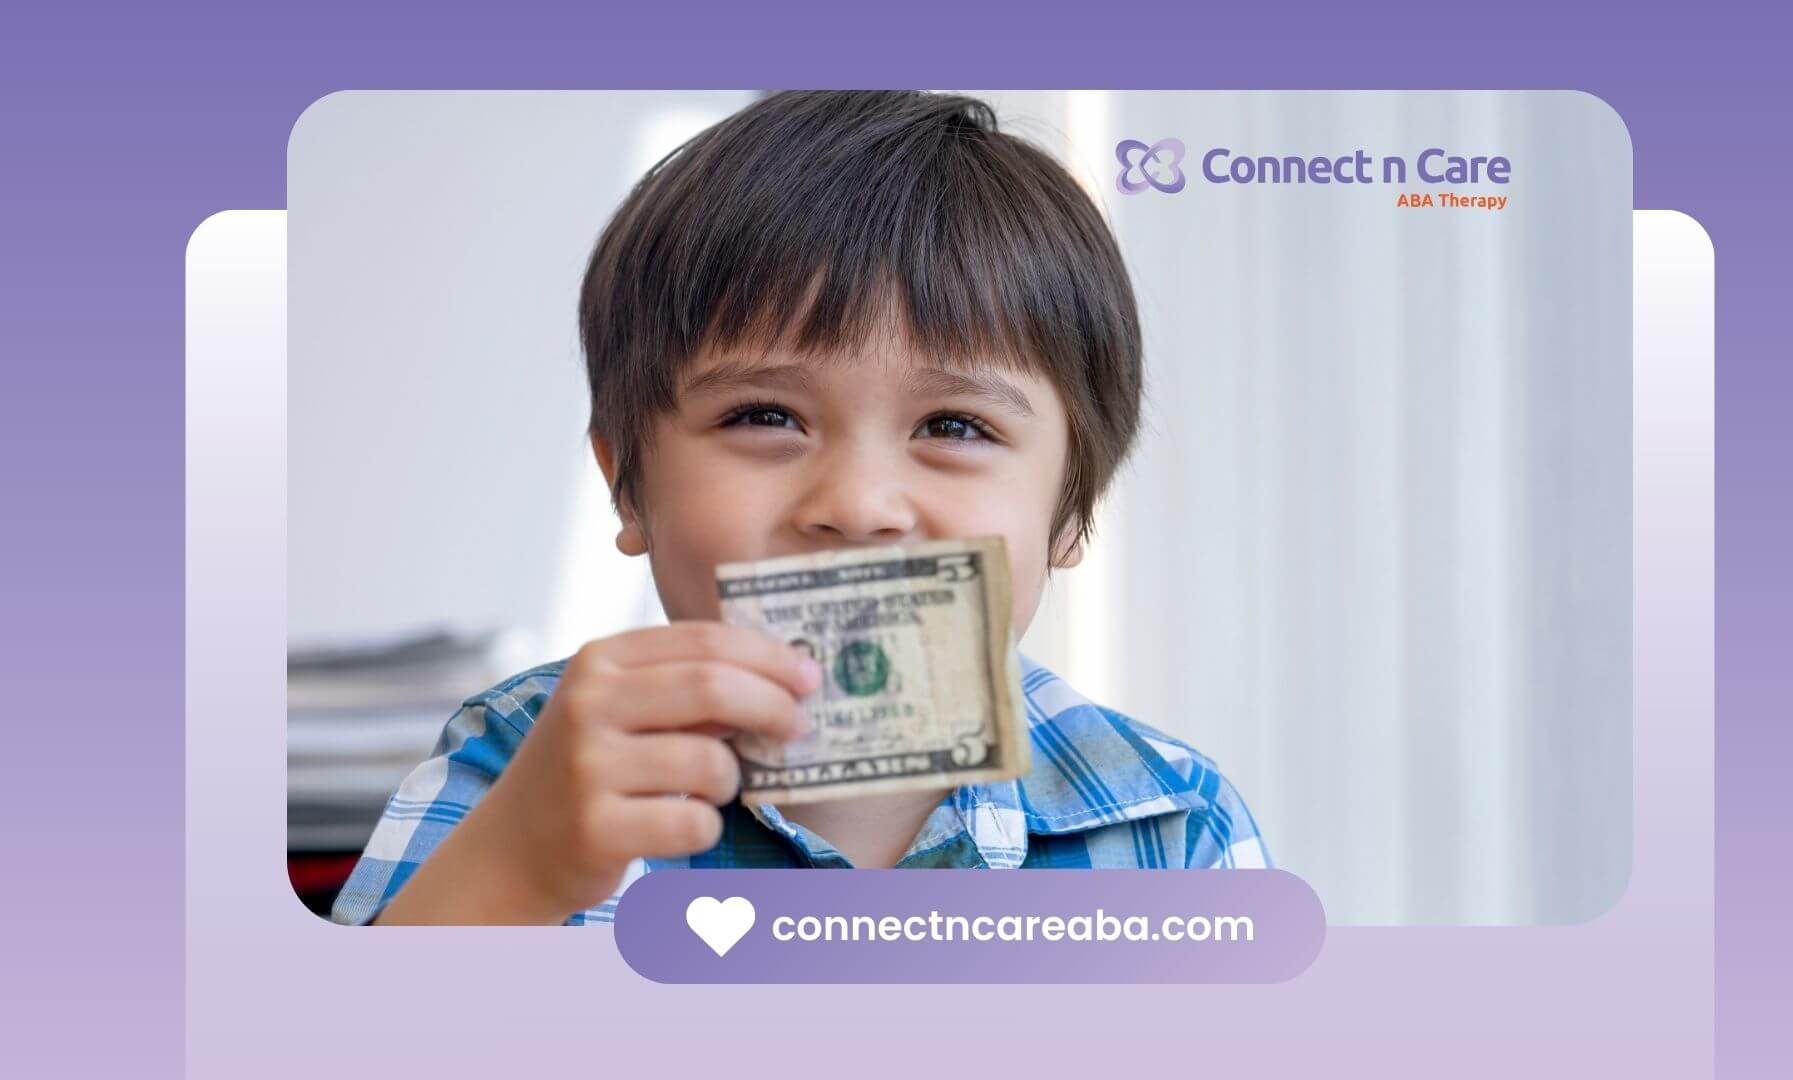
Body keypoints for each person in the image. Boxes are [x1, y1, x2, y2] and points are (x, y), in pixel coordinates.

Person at [333, 90, 1270, 927]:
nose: (859, 508)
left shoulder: (1173, 829)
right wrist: (514, 873)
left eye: (954, 424)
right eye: (765, 415)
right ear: (628, 486)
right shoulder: (521, 769)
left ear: (1071, 512)